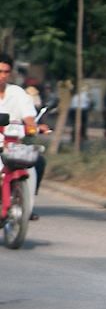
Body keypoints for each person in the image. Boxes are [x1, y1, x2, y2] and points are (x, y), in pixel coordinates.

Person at [0, 53, 50, 219]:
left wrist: (34, 127)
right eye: (0, 71)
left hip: (14, 145)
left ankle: (26, 204)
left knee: (38, 162)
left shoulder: (18, 93)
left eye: (6, 72)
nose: (2, 76)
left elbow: (29, 117)